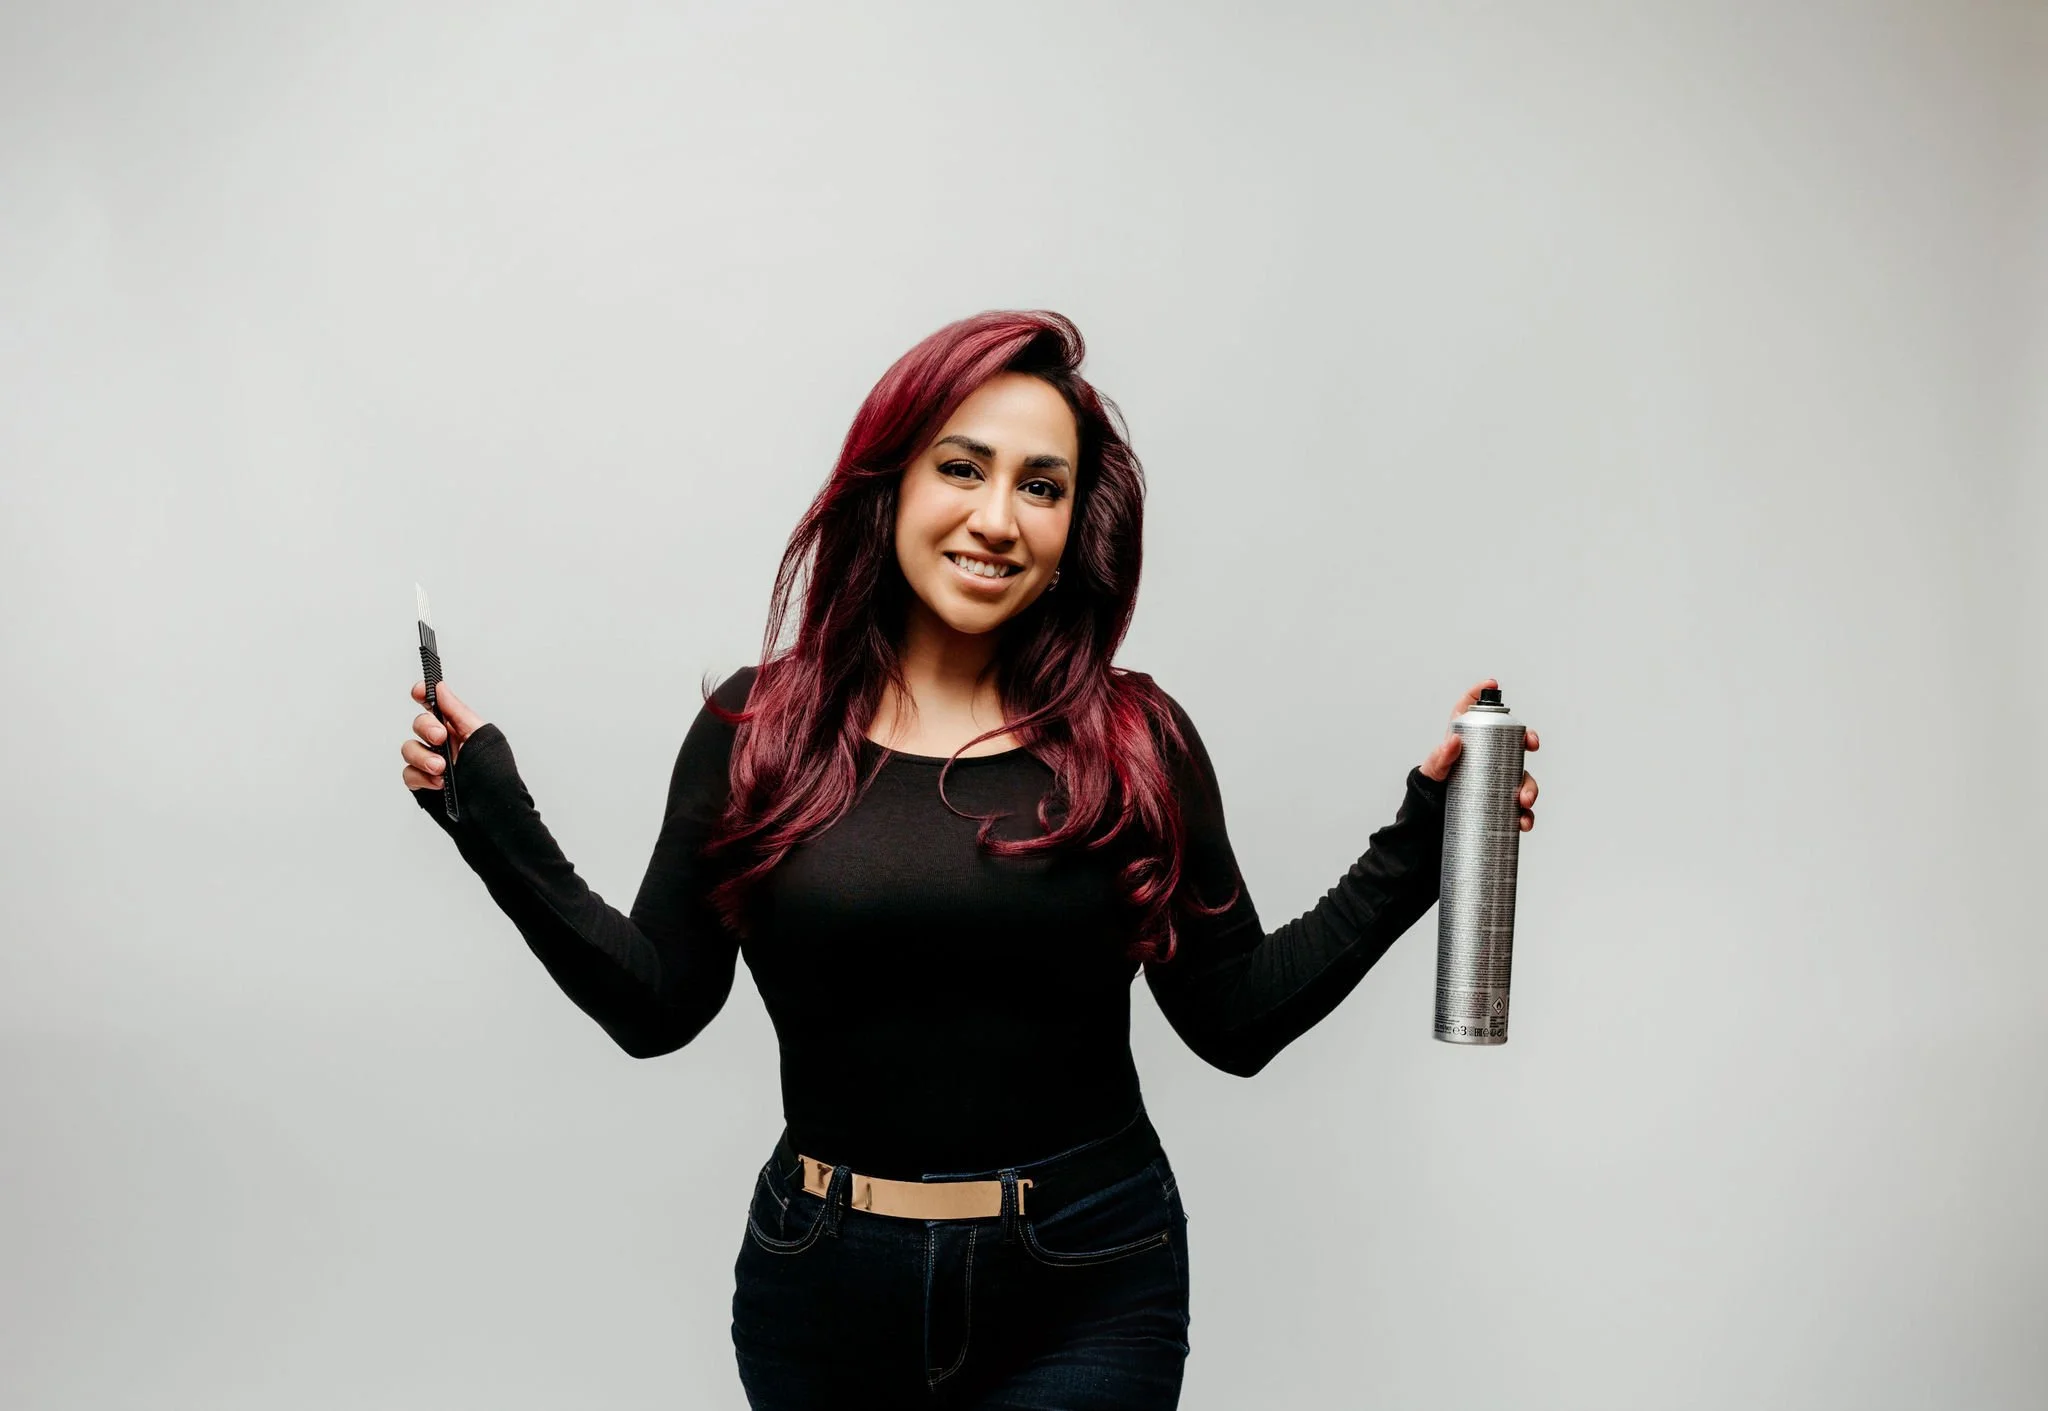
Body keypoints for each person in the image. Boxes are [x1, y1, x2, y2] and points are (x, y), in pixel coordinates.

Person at [400, 309, 1540, 1409]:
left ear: (1070, 528)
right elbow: (657, 1003)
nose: (998, 517)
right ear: (889, 484)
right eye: (962, 467)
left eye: (1039, 486)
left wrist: (1417, 848)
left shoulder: (1134, 741)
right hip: (819, 1289)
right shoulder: (763, 731)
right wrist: (491, 824)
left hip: (1088, 1280)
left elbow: (1233, 1019)